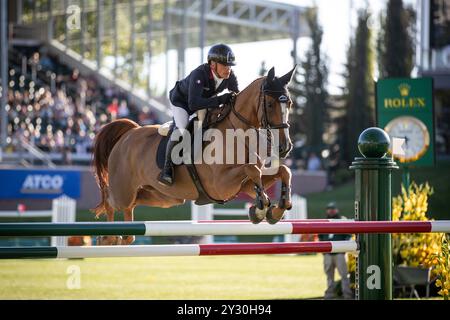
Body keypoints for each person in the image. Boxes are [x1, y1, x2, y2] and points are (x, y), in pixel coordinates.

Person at [158, 43, 240, 186]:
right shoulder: (200, 74)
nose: (228, 69)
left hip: (203, 102)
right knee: (183, 129)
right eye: (225, 65)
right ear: (213, 64)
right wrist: (221, 99)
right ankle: (167, 170)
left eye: (230, 66)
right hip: (182, 102)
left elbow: (237, 97)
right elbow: (193, 104)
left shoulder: (230, 76)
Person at [318, 202, 353, 299]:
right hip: (328, 254)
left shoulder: (342, 220)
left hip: (339, 254)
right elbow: (320, 236)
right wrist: (323, 250)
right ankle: (330, 294)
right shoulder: (324, 222)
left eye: (333, 208)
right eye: (329, 208)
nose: (331, 210)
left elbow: (348, 235)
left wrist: (343, 248)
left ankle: (347, 294)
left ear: (337, 210)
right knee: (329, 276)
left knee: (344, 275)